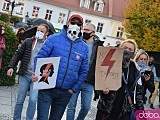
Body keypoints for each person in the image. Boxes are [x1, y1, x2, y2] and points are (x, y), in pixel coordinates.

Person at [32, 14, 89, 120]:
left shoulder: (84, 48)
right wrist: (37, 73)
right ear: (67, 23)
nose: (75, 25)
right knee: (42, 118)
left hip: (65, 92)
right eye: (73, 22)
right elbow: (40, 58)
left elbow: (84, 70)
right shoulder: (54, 39)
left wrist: (74, 89)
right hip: (47, 87)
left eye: (78, 24)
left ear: (81, 27)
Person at [7, 24, 49, 120]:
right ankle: (16, 118)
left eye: (42, 31)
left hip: (37, 77)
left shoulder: (48, 45)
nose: (39, 32)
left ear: (46, 33)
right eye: (38, 30)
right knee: (20, 99)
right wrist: (11, 67)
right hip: (25, 74)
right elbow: (18, 54)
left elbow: (49, 62)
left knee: (33, 100)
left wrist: (43, 75)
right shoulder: (29, 41)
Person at [95, 39, 144, 120]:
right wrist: (103, 91)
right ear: (120, 48)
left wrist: (141, 110)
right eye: (125, 48)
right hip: (107, 106)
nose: (127, 50)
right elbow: (100, 81)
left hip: (124, 109)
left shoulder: (135, 68)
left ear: (134, 53)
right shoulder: (110, 61)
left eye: (130, 49)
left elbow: (138, 91)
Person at [66, 23, 104, 120]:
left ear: (93, 33)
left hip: (89, 81)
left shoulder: (99, 46)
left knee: (86, 107)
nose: (84, 32)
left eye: (87, 30)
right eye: (84, 29)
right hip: (75, 79)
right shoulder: (77, 42)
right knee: (71, 107)